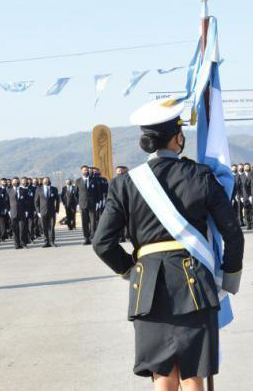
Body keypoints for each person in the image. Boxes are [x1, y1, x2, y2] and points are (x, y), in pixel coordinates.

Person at [92, 103, 243, 390]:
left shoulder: (125, 184)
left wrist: (132, 270)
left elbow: (102, 243)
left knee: (162, 375)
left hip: (147, 287)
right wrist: (229, 278)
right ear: (177, 139)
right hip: (194, 283)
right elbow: (233, 233)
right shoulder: (200, 175)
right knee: (192, 374)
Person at [76, 165, 101, 245]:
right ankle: (86, 238)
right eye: (84, 170)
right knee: (84, 222)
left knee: (93, 221)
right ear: (81, 171)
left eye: (87, 170)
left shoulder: (93, 180)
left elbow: (98, 192)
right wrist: (77, 204)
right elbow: (75, 194)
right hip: (82, 204)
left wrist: (98, 202)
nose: (86, 171)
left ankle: (93, 237)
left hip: (92, 204)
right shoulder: (78, 181)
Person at [34, 176, 59, 247]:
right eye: (45, 180)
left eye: (47, 180)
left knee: (51, 226)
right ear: (42, 181)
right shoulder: (38, 189)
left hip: (52, 211)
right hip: (42, 211)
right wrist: (38, 211)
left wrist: (57, 211)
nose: (46, 181)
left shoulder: (54, 189)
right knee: (44, 227)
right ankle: (46, 241)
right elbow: (36, 201)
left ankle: (52, 241)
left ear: (49, 181)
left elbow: (57, 200)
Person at [8, 177, 30, 249]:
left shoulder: (23, 190)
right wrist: (8, 211)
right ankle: (16, 244)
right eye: (14, 181)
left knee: (22, 229)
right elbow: (6, 202)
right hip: (13, 212)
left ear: (19, 182)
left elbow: (27, 201)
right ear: (12, 182)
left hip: (22, 212)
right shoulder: (8, 191)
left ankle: (23, 243)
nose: (15, 182)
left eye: (17, 181)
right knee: (15, 229)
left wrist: (26, 210)